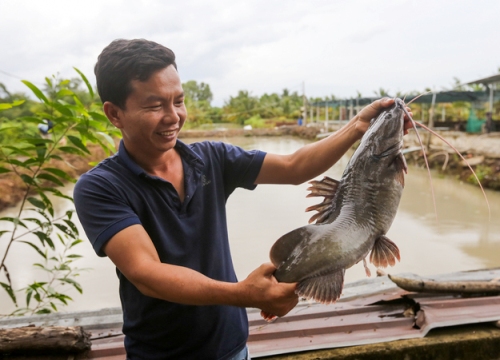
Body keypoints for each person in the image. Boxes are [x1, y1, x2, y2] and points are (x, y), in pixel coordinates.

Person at [73, 39, 413, 360]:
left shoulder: (211, 158)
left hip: (232, 346)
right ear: (114, 114)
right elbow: (147, 273)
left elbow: (295, 167)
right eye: (154, 105)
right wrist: (245, 294)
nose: (173, 116)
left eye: (178, 101)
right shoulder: (101, 187)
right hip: (161, 353)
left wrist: (359, 126)